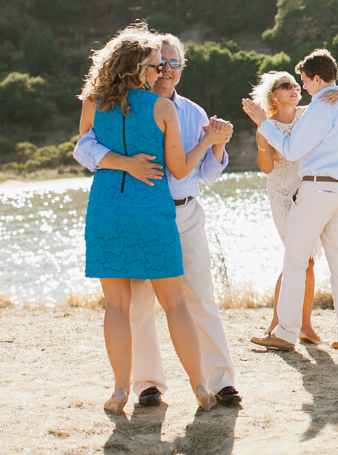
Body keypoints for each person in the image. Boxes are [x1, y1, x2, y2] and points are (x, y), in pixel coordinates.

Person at [75, 32, 242, 408]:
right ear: (140, 67)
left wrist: (215, 143)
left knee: (119, 305)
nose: (162, 71)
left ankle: (120, 389)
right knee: (174, 304)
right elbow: (180, 168)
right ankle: (194, 386)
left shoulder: (94, 101)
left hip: (108, 207)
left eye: (170, 65)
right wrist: (207, 141)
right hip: (153, 209)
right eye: (156, 65)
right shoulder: (160, 109)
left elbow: (84, 145)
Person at [241, 49, 338, 353]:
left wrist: (261, 122)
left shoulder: (322, 105)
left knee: (295, 261)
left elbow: (292, 150)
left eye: (305, 81)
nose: (303, 87)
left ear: (318, 78)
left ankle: (285, 332)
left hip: (318, 191)